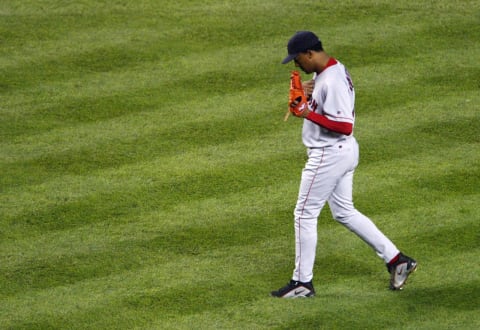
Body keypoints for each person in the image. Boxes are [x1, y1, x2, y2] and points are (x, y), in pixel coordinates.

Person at [271, 31, 417, 298]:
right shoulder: (327, 71)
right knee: (344, 212)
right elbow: (323, 93)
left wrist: (307, 113)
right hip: (342, 153)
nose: (296, 65)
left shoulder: (334, 79)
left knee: (304, 214)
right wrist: (307, 90)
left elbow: (344, 126)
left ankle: (302, 283)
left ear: (310, 54)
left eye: (298, 59)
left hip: (329, 154)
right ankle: (397, 260)